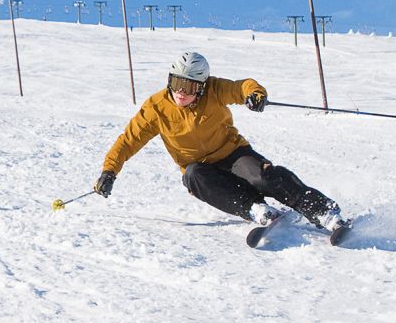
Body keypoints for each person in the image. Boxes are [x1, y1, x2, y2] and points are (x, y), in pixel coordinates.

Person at [94, 51, 347, 231]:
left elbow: (242, 87)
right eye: (176, 83)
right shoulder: (156, 108)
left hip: (233, 154)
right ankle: (255, 209)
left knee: (262, 177)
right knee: (193, 176)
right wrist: (109, 171)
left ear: (201, 86)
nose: (181, 92)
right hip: (201, 168)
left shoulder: (214, 89)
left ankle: (323, 211)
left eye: (189, 86)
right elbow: (128, 141)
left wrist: (255, 95)